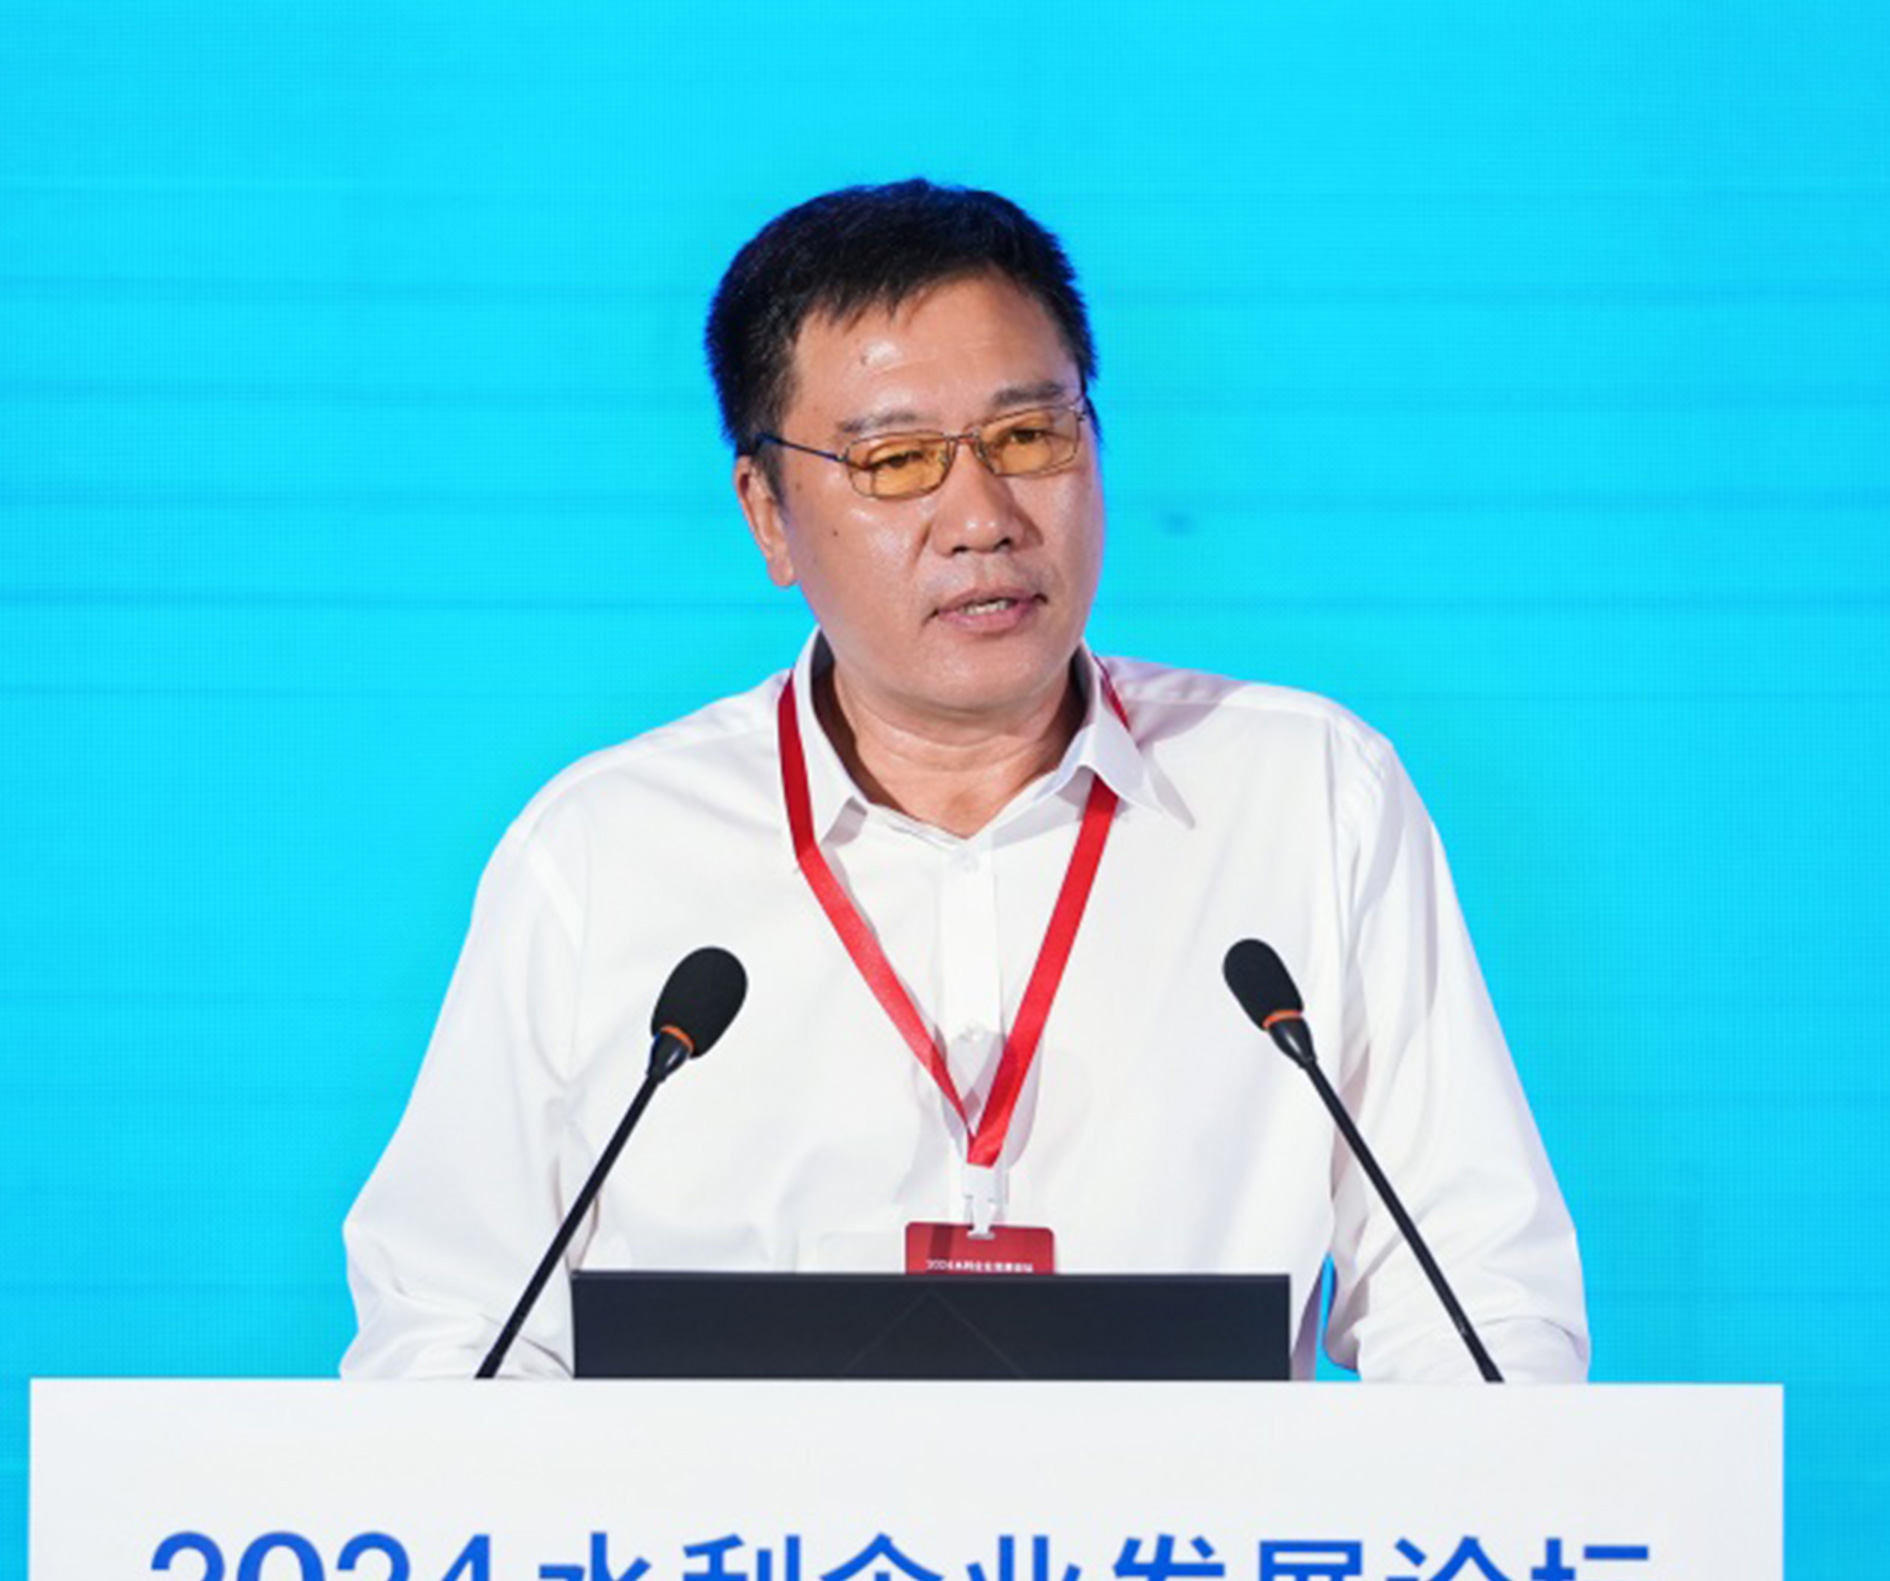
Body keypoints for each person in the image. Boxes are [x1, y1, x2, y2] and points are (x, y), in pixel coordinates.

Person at [341, 180, 1589, 1383]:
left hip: (1183, 1536)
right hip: (739, 1537)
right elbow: (453, 1336)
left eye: (1029, 436)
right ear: (768, 515)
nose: (984, 515)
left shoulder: (1307, 798)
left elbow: (1479, 1307)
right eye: (895, 461)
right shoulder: (606, 855)